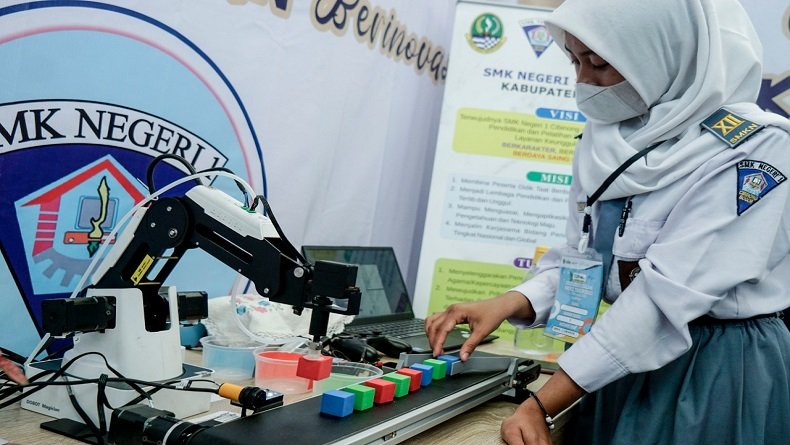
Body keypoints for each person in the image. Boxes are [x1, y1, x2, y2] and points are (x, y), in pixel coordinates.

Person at [426, 0, 790, 444]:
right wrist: (507, 303)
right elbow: (584, 259)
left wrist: (542, 403)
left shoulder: (754, 149)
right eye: (575, 59)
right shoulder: (607, 139)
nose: (583, 80)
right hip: (618, 361)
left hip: (712, 371)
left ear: (663, 52)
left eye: (598, 62)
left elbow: (663, 299)